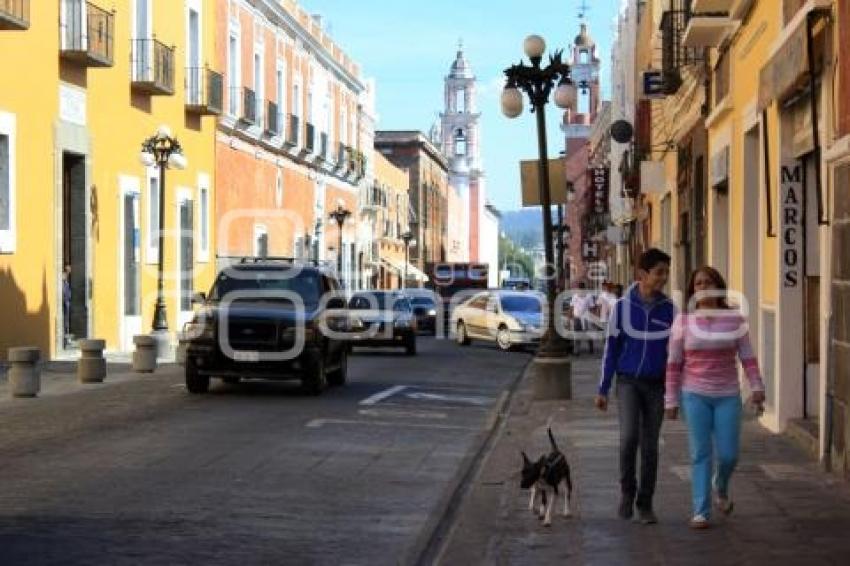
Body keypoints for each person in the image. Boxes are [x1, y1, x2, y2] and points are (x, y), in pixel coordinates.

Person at [664, 266, 765, 530]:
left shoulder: (734, 320)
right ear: (692, 290)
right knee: (700, 453)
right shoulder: (683, 322)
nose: (703, 287)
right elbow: (674, 364)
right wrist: (671, 400)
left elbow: (747, 357)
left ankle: (720, 484)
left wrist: (756, 386)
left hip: (728, 394)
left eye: (708, 282)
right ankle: (701, 510)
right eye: (698, 283)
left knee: (730, 455)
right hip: (694, 394)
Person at [595, 248, 675, 524]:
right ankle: (627, 492)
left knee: (650, 446)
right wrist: (603, 388)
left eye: (666, 272)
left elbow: (675, 353)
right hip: (628, 382)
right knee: (629, 437)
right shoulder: (622, 307)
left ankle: (645, 503)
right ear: (642, 274)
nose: (664, 278)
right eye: (659, 272)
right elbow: (611, 349)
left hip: (657, 385)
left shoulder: (669, 309)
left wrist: (675, 392)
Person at [62, 264, 72, 347]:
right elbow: (64, 292)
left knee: (67, 321)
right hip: (64, 302)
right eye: (68, 269)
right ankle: (65, 339)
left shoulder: (66, 281)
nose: (70, 270)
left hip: (67, 302)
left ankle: (66, 338)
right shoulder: (63, 279)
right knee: (65, 321)